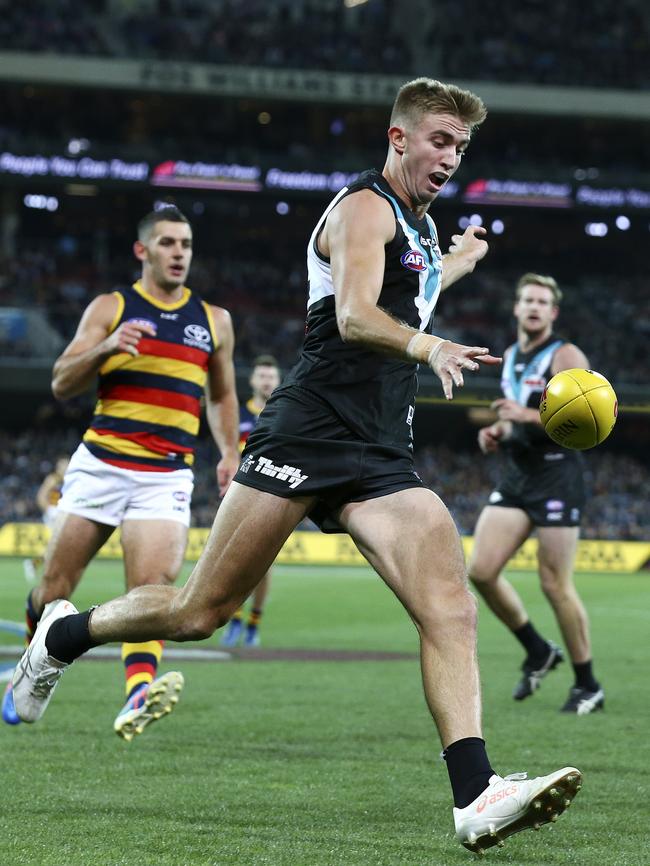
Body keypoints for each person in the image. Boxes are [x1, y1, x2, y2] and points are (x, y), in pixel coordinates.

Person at [13, 80, 582, 854]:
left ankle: (475, 795)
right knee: (196, 611)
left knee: (449, 603)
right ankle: (66, 634)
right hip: (306, 433)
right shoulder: (362, 208)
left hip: (380, 448)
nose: (451, 156)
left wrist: (458, 263)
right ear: (399, 138)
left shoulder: (416, 225)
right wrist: (430, 346)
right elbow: (353, 312)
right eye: (441, 141)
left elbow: (408, 291)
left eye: (461, 147)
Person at [4, 206, 239, 738]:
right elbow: (62, 381)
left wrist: (228, 451)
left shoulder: (214, 320)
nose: (179, 252)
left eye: (186, 244)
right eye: (167, 243)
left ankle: (137, 694)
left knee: (154, 588)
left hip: (167, 474)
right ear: (143, 251)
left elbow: (221, 394)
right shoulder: (112, 307)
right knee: (53, 588)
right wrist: (107, 347)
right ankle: (33, 668)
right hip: (102, 464)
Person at [469, 273, 604, 715]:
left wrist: (524, 416)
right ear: (515, 307)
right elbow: (514, 417)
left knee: (553, 583)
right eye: (526, 299)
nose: (533, 306)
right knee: (482, 571)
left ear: (553, 312)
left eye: (542, 301)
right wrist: (498, 431)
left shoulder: (565, 354)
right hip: (519, 472)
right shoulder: (509, 357)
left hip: (557, 474)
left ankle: (588, 684)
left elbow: (589, 419)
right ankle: (537, 649)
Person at [221, 355, 281, 648]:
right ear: (253, 380)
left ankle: (253, 623)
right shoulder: (239, 416)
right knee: (233, 562)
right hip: (241, 493)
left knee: (263, 565)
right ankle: (234, 619)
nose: (267, 381)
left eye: (271, 376)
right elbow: (230, 452)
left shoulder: (287, 412)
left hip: (274, 495)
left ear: (278, 381)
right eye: (262, 376)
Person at [21, 455, 70, 583]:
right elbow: (41, 496)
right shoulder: (53, 479)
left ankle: (34, 564)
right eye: (62, 465)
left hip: (62, 514)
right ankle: (42, 568)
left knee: (57, 544)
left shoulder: (68, 480)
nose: (64, 468)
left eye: (66, 465)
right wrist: (49, 511)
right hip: (54, 514)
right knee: (59, 543)